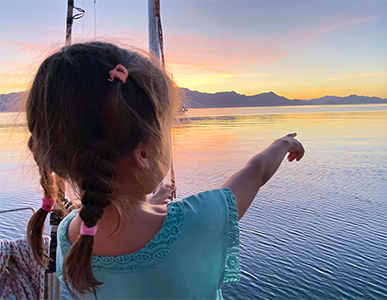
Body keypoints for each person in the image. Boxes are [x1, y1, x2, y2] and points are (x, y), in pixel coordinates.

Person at [25, 41, 305, 299]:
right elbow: (255, 173)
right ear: (144, 153)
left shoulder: (68, 238)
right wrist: (282, 144)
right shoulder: (198, 221)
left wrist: (147, 203)